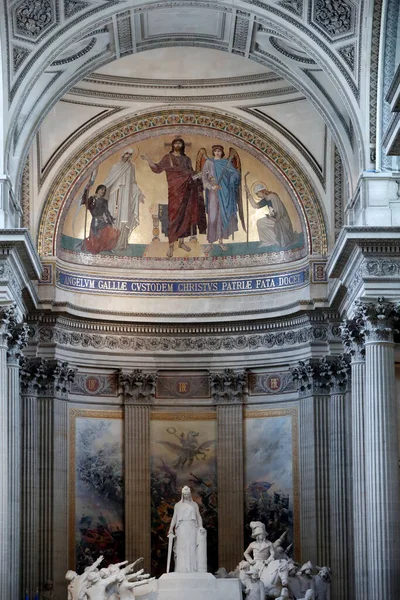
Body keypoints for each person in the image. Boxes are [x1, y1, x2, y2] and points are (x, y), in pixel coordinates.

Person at [141, 139, 206, 258]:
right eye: (176, 143)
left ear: (182, 146)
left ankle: (181, 243)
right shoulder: (168, 158)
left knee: (185, 217)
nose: (178, 145)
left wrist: (200, 175)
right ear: (172, 145)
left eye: (180, 143)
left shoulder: (186, 160)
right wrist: (148, 160)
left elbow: (191, 174)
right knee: (174, 219)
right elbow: (157, 169)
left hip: (187, 191)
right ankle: (171, 246)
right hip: (174, 192)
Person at [201, 144, 241, 252]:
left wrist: (233, 178)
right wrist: (211, 186)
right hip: (213, 193)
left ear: (222, 152)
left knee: (222, 217)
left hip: (224, 192)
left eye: (219, 151)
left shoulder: (225, 163)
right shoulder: (208, 162)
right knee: (212, 217)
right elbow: (203, 178)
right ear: (213, 152)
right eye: (216, 151)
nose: (217, 152)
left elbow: (235, 174)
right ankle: (210, 243)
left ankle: (221, 242)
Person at [103, 148, 145, 251]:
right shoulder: (115, 167)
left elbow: (133, 183)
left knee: (124, 217)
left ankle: (121, 244)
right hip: (115, 195)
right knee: (113, 216)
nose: (128, 156)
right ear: (122, 154)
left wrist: (139, 193)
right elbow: (108, 181)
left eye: (130, 154)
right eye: (126, 153)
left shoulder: (131, 167)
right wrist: (101, 191)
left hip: (126, 196)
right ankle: (110, 243)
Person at [167, 485, 206, 573]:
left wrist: (201, 527)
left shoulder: (194, 504)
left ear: (190, 494)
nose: (186, 496)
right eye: (184, 494)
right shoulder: (178, 505)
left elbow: (198, 516)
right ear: (182, 494)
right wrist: (170, 529)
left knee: (191, 546)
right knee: (181, 547)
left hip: (192, 527)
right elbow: (174, 517)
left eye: (188, 494)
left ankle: (192, 568)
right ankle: (181, 568)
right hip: (181, 527)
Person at [246, 181, 295, 249]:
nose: (258, 196)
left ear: (262, 191)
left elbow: (279, 213)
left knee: (262, 222)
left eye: (258, 193)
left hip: (281, 220)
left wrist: (271, 217)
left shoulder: (273, 197)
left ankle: (276, 240)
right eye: (257, 194)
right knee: (260, 222)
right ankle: (267, 241)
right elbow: (256, 206)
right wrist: (248, 194)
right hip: (274, 219)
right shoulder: (265, 199)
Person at [81, 185, 120, 254]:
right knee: (96, 241)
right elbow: (84, 201)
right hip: (95, 221)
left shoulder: (104, 201)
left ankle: (107, 247)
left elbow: (106, 212)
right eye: (102, 189)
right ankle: (93, 246)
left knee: (114, 232)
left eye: (104, 190)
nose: (103, 191)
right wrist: (86, 190)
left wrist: (112, 223)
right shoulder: (92, 199)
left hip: (102, 221)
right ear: (98, 189)